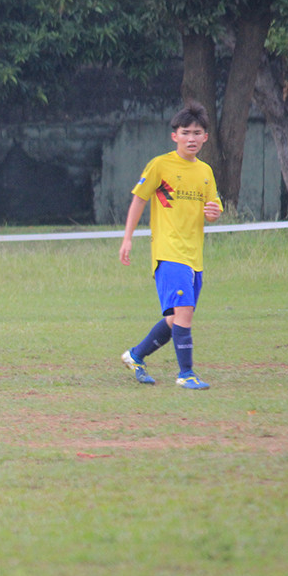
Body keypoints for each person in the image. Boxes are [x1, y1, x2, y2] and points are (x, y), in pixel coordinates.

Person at [118, 102, 222, 389]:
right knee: (184, 312)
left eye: (197, 132)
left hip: (194, 256)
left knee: (178, 318)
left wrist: (214, 213)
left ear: (205, 137)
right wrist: (127, 238)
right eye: (185, 132)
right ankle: (186, 373)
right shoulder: (160, 165)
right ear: (174, 135)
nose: (191, 138)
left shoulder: (205, 172)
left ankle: (136, 355)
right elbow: (139, 198)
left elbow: (213, 208)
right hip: (168, 252)